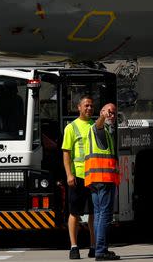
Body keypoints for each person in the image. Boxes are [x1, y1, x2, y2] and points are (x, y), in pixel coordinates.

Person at [84, 103, 120, 261]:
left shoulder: (106, 131)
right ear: (101, 113)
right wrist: (103, 117)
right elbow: (98, 124)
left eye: (114, 113)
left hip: (94, 180)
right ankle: (101, 250)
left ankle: (100, 249)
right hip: (103, 180)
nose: (112, 115)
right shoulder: (98, 128)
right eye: (109, 112)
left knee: (99, 215)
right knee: (104, 216)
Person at [62, 95, 96, 259]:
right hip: (78, 176)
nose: (89, 108)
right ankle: (74, 246)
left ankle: (93, 246)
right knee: (74, 213)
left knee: (93, 214)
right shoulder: (71, 128)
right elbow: (66, 153)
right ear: (79, 107)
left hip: (94, 176)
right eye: (86, 106)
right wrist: (69, 174)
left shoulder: (95, 125)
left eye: (91, 106)